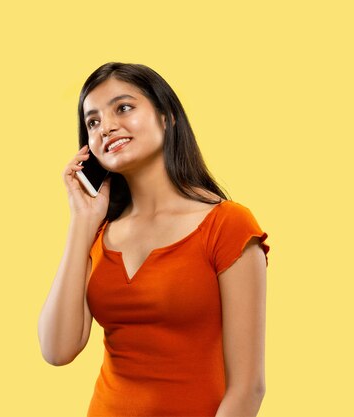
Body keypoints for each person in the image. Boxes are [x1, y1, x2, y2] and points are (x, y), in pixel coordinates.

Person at [38, 62, 270, 417]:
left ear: (167, 117)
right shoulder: (99, 234)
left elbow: (248, 388)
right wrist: (81, 223)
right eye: (93, 122)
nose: (107, 127)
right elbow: (57, 350)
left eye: (124, 107)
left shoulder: (228, 225)